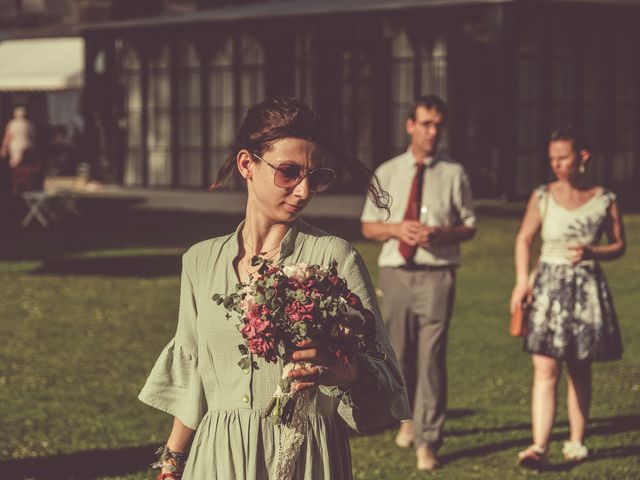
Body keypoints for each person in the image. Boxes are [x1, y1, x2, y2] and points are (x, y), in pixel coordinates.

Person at [139, 97, 411, 479]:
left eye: (315, 177)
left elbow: (386, 377)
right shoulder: (199, 262)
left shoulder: (335, 257)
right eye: (289, 172)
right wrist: (172, 462)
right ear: (247, 164)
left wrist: (343, 373)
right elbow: (194, 372)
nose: (303, 192)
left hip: (304, 456)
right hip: (217, 458)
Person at [360, 95, 476, 470]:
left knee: (432, 360)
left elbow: (469, 227)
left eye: (438, 125)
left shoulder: (454, 174)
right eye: (426, 123)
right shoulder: (387, 171)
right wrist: (397, 228)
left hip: (437, 274)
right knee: (399, 355)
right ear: (410, 125)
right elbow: (367, 226)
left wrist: (443, 234)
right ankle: (408, 419)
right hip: (396, 274)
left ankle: (428, 441)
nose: (432, 131)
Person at [510, 128, 625, 469]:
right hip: (548, 285)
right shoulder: (543, 195)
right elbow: (524, 239)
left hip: (586, 287)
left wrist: (594, 250)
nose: (557, 165)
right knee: (544, 366)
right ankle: (538, 445)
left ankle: (576, 440)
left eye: (563, 157)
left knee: (580, 365)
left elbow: (620, 245)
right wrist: (521, 281)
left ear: (582, 157)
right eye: (552, 159)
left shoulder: (605, 198)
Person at [1, 106, 37, 193]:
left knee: (15, 168)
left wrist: (4, 148)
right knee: (27, 167)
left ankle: (15, 188)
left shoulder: (12, 123)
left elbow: (8, 137)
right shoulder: (29, 124)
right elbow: (33, 136)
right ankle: (28, 188)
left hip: (15, 146)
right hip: (27, 146)